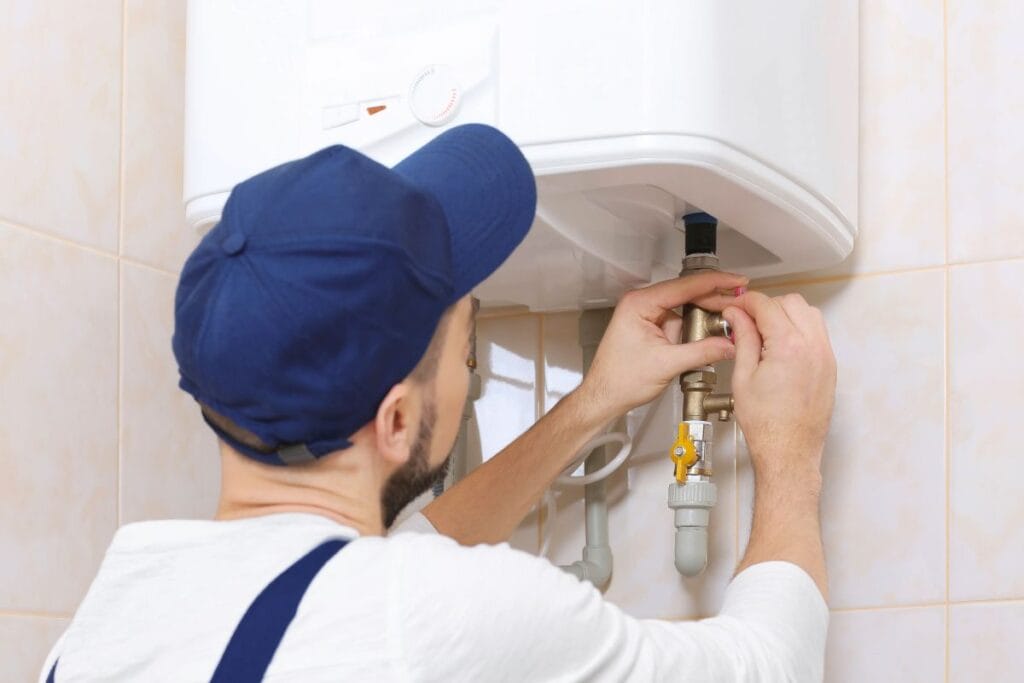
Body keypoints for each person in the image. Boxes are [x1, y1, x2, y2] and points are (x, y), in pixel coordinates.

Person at [41, 124, 836, 682]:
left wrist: (596, 401)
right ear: (394, 420)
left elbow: (384, 570)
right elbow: (767, 669)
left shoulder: (116, 613)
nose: (468, 358)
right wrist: (790, 449)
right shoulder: (438, 618)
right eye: (466, 340)